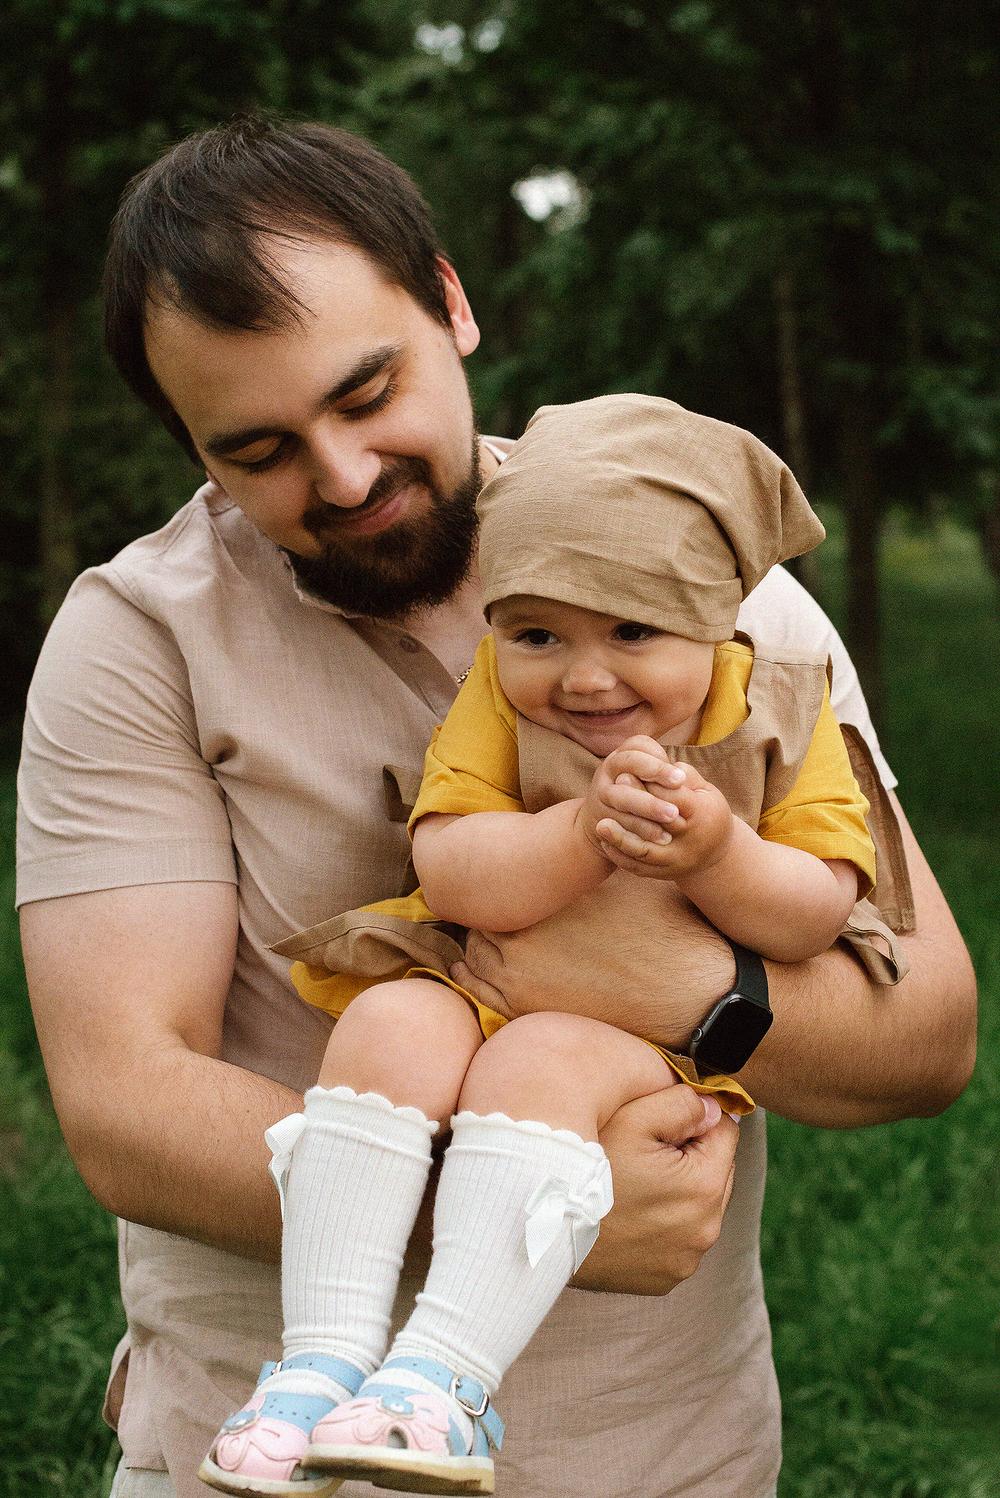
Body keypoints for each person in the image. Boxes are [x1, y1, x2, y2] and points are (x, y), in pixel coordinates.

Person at [15, 117, 974, 1498]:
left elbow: (928, 1035)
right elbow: (123, 1105)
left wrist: (702, 992)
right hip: (266, 1459)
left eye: (367, 392)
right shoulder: (136, 641)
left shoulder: (709, 578)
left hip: (665, 1458)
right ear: (190, 444)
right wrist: (537, 1216)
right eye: (260, 446)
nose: (341, 477)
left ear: (453, 304)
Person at [199, 393, 893, 1497]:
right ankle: (322, 1360)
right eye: (537, 634)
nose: (582, 676)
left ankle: (442, 1385)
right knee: (385, 1018)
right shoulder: (498, 698)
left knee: (537, 1063)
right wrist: (577, 831)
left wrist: (716, 851)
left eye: (631, 631)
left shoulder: (778, 706)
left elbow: (819, 911)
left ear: (711, 619)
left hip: (638, 1037)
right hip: (481, 973)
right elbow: (453, 864)